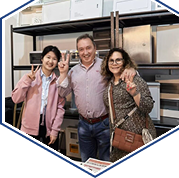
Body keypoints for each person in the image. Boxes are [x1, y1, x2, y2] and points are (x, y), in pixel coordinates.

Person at [57, 34, 136, 162]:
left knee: (106, 161)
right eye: (81, 49)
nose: (85, 52)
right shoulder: (73, 71)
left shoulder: (106, 66)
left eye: (88, 48)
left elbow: (125, 73)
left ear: (95, 48)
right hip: (83, 124)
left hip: (104, 124)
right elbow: (62, 93)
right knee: (87, 162)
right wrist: (63, 74)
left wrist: (130, 69)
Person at [101, 48, 156, 162]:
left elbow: (148, 107)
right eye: (111, 60)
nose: (114, 63)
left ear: (125, 62)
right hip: (119, 140)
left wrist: (135, 93)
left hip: (137, 137)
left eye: (118, 60)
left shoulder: (134, 79)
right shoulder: (109, 85)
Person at [12, 45, 65, 151]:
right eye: (48, 57)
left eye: (54, 59)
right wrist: (27, 81)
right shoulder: (30, 77)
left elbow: (60, 108)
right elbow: (16, 99)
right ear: (42, 58)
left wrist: (55, 131)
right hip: (29, 128)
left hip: (49, 128)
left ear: (57, 62)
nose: (50, 61)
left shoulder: (58, 81)